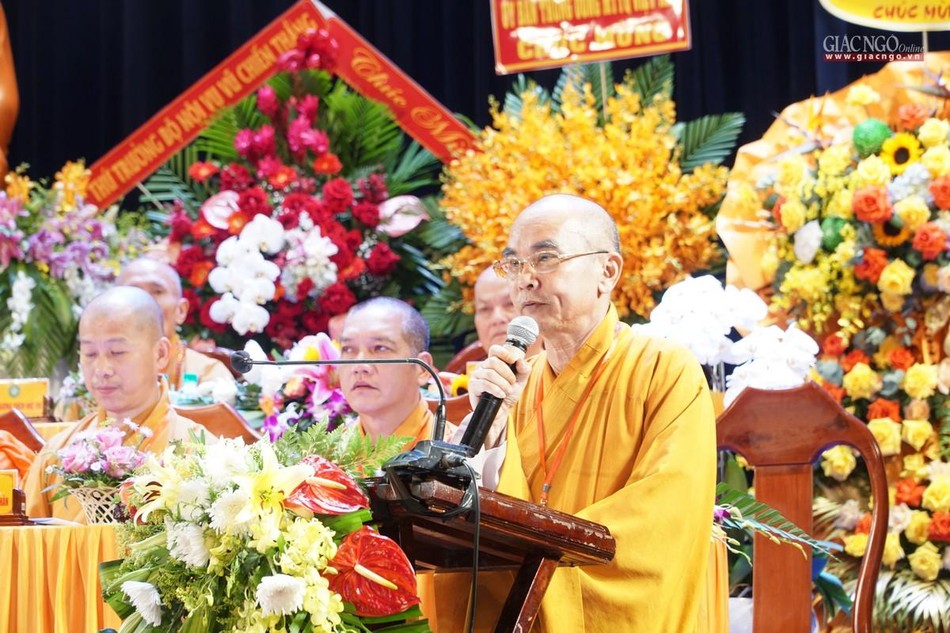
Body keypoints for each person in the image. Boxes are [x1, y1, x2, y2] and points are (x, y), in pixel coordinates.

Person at [432, 194, 718, 632]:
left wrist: (542, 566)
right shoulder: (519, 387)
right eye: (514, 264)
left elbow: (665, 521)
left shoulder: (664, 370)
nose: (526, 280)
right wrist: (493, 434)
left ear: (608, 272)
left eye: (545, 258)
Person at [23, 287, 213, 522]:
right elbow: (24, 546)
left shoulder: (198, 451)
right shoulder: (57, 456)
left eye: (117, 352)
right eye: (90, 353)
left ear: (161, 354)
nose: (102, 370)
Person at [338, 297, 454, 450]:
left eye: (380, 348)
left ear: (422, 368)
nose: (359, 366)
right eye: (348, 349)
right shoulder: (326, 457)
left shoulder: (454, 454)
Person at [117, 257, 233, 389]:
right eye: (133, 292)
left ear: (180, 311)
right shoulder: (96, 374)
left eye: (157, 292)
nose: (145, 302)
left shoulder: (209, 375)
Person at [473, 265, 543, 355]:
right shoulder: (470, 369)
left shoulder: (561, 366)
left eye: (510, 304)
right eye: (484, 309)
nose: (497, 318)